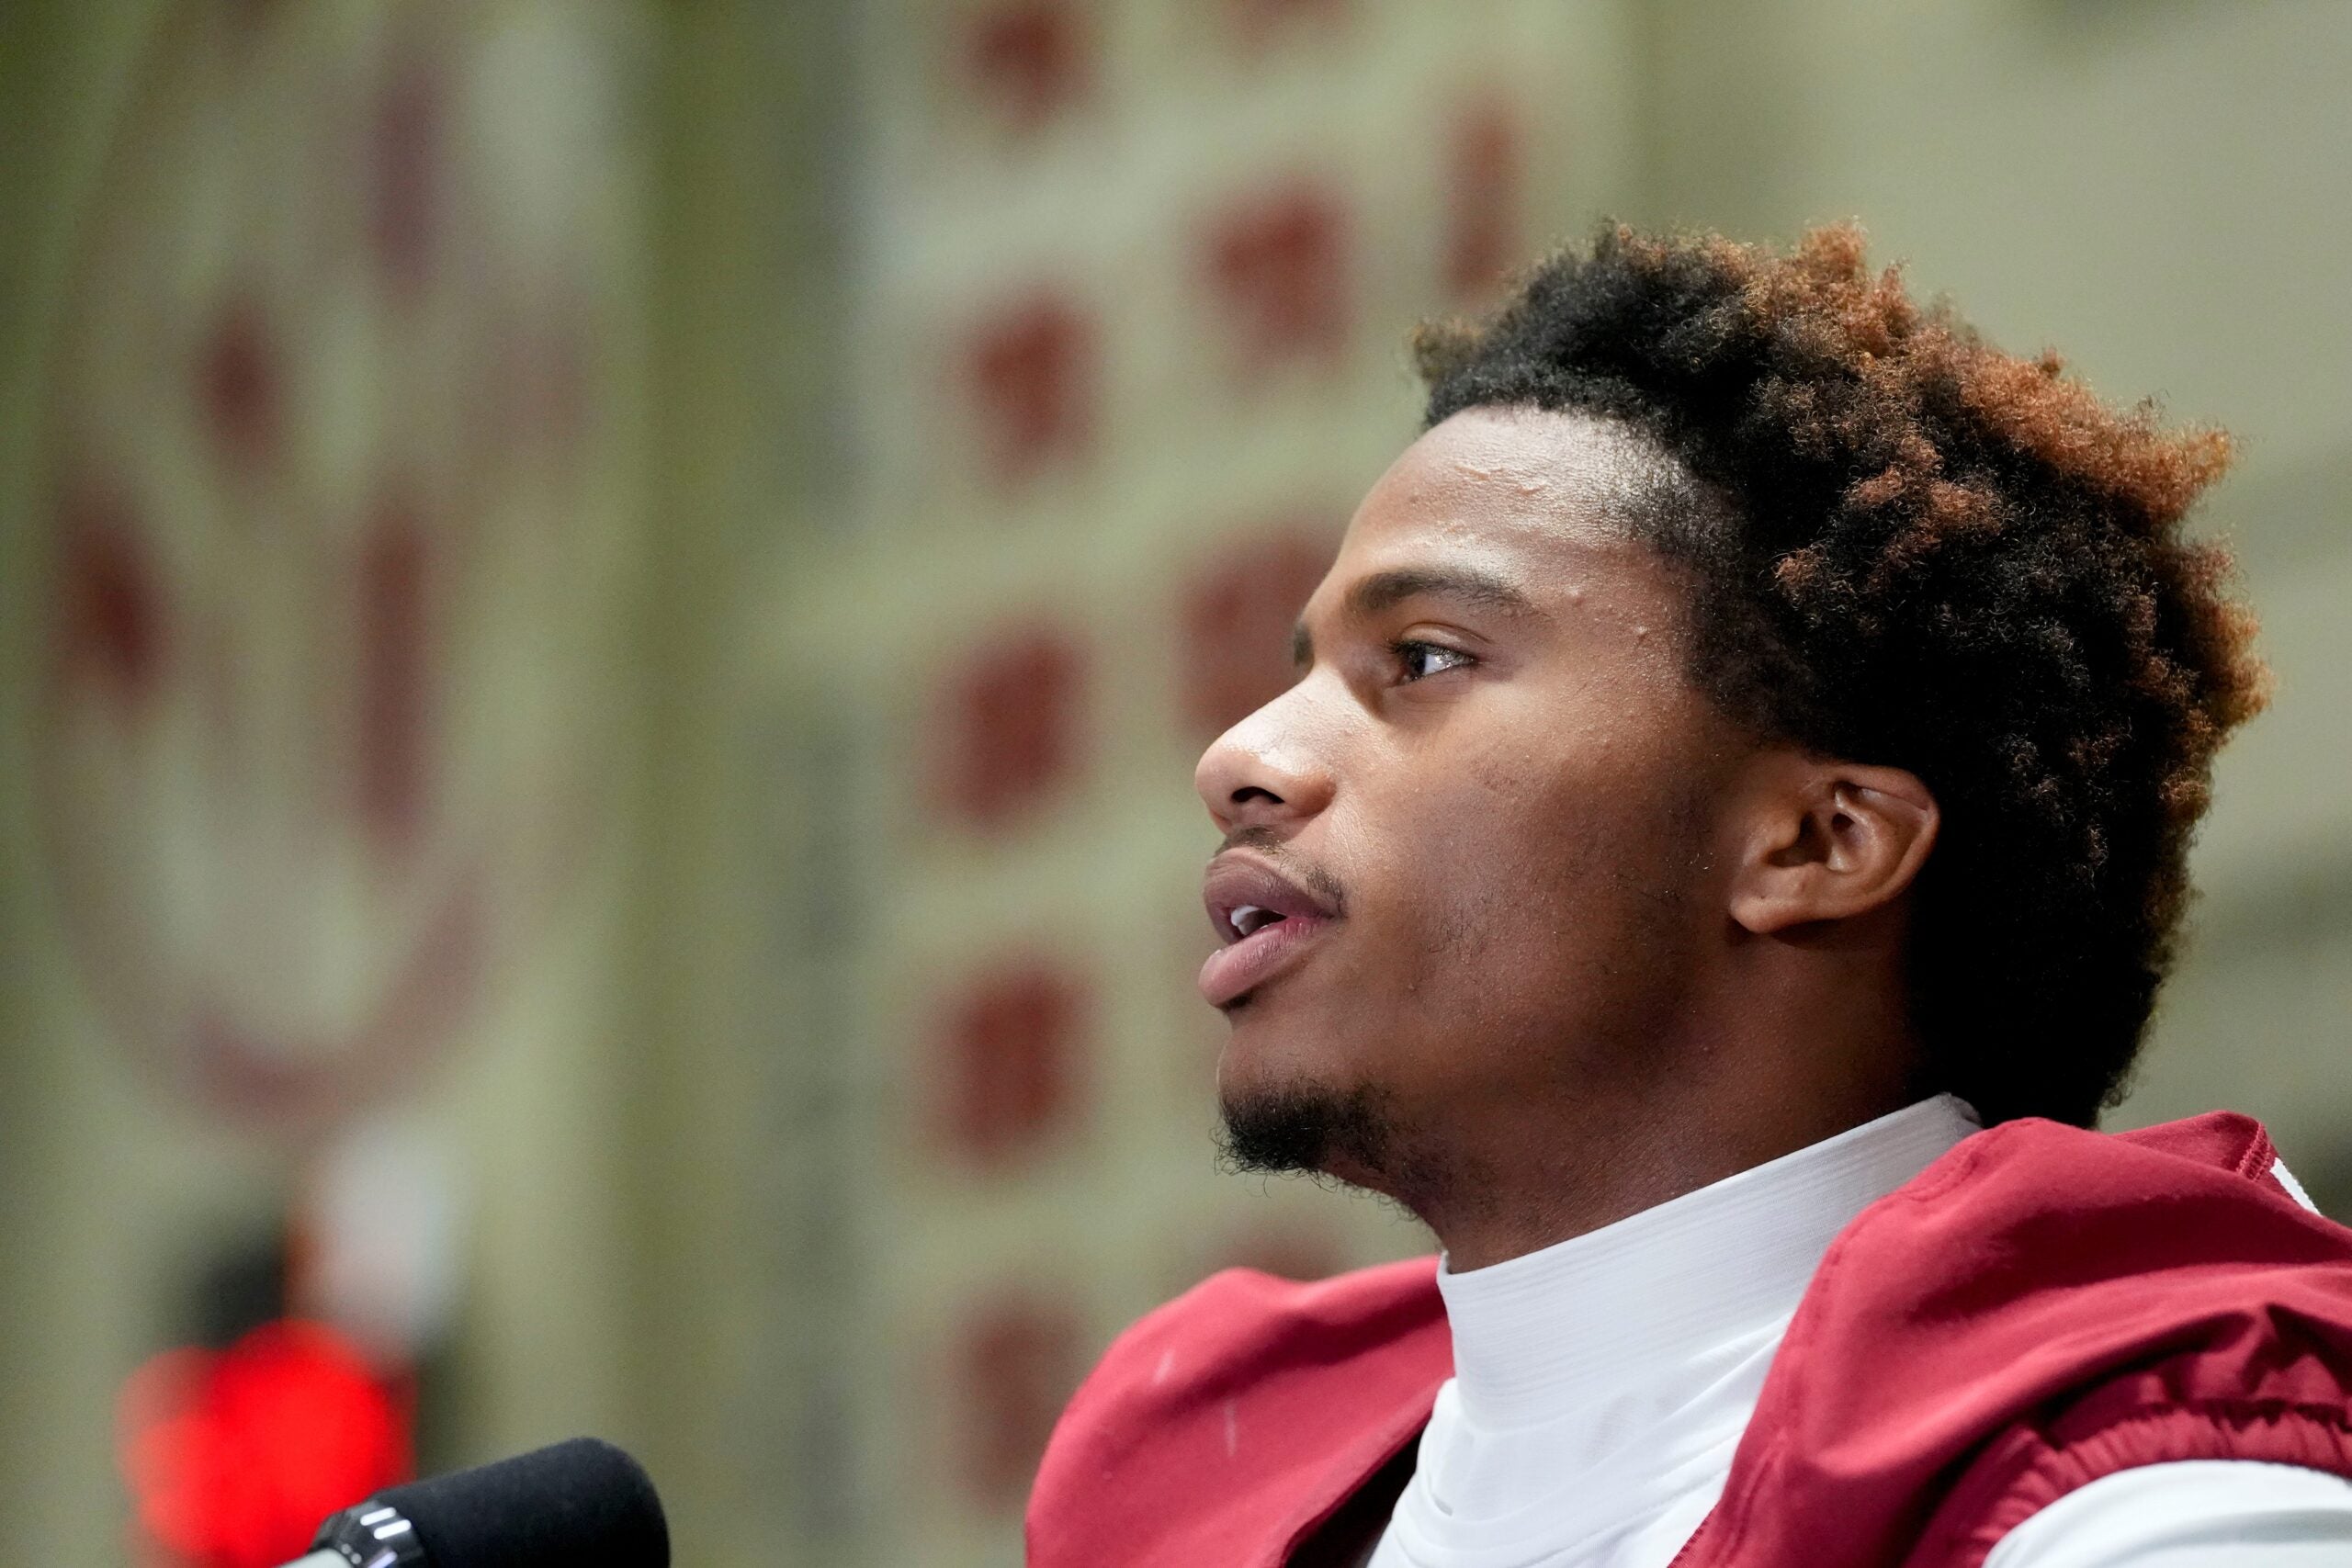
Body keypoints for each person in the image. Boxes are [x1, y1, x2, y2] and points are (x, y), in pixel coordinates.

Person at [1024, 225, 2352, 1567]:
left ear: (1815, 846)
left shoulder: (2163, 1498)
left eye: (1422, 658)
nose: (1239, 759)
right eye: (1300, 671)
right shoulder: (1186, 1481)